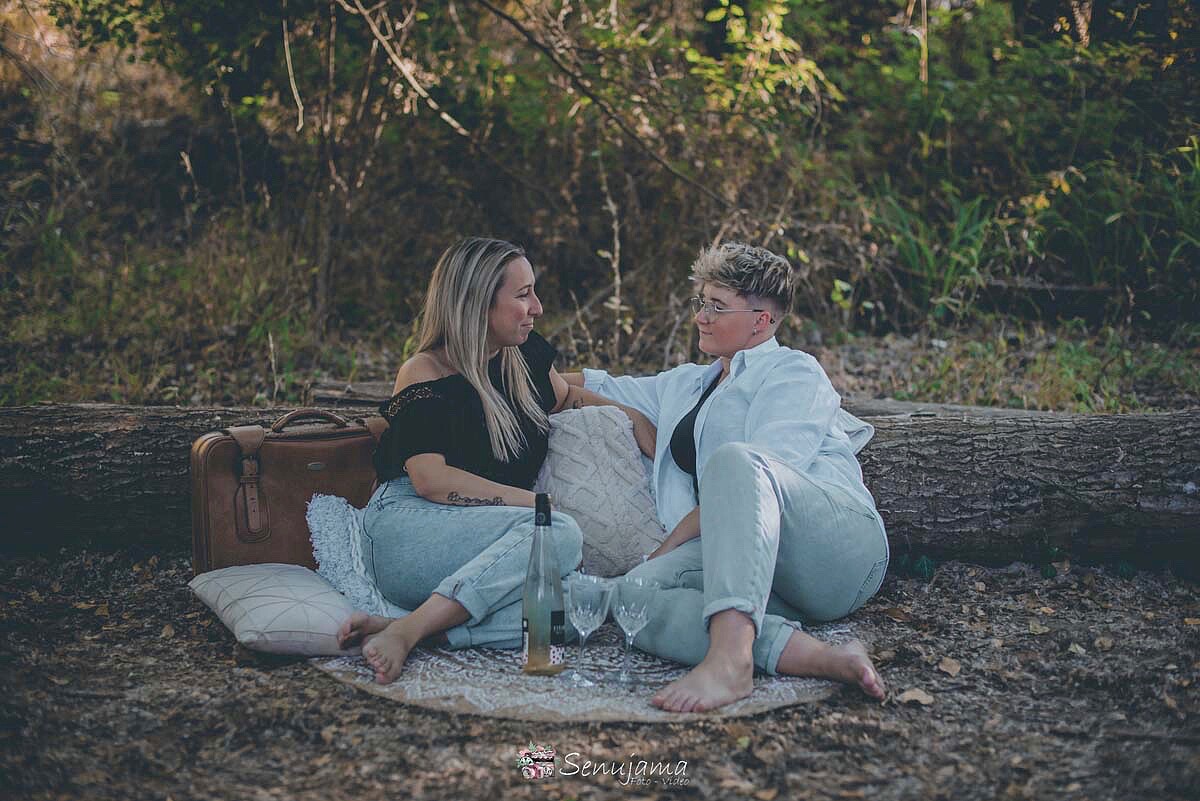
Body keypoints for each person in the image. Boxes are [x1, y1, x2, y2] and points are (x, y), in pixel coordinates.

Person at [562, 241, 890, 713]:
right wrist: (497, 366)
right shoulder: (687, 383)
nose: (702, 316)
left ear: (762, 320)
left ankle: (731, 661)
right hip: (760, 574)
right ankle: (821, 658)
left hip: (835, 549)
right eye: (702, 302)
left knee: (737, 461)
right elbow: (594, 384)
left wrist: (669, 543)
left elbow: (767, 478)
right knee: (634, 595)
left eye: (718, 306)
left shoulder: (793, 372)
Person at [337, 236, 656, 684]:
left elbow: (568, 398)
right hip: (410, 528)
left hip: (489, 539)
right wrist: (533, 505)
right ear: (477, 303)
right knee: (559, 534)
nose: (538, 307)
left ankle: (417, 629)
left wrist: (634, 418)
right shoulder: (425, 372)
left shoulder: (521, 359)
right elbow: (430, 479)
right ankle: (410, 630)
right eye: (523, 295)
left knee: (584, 600)